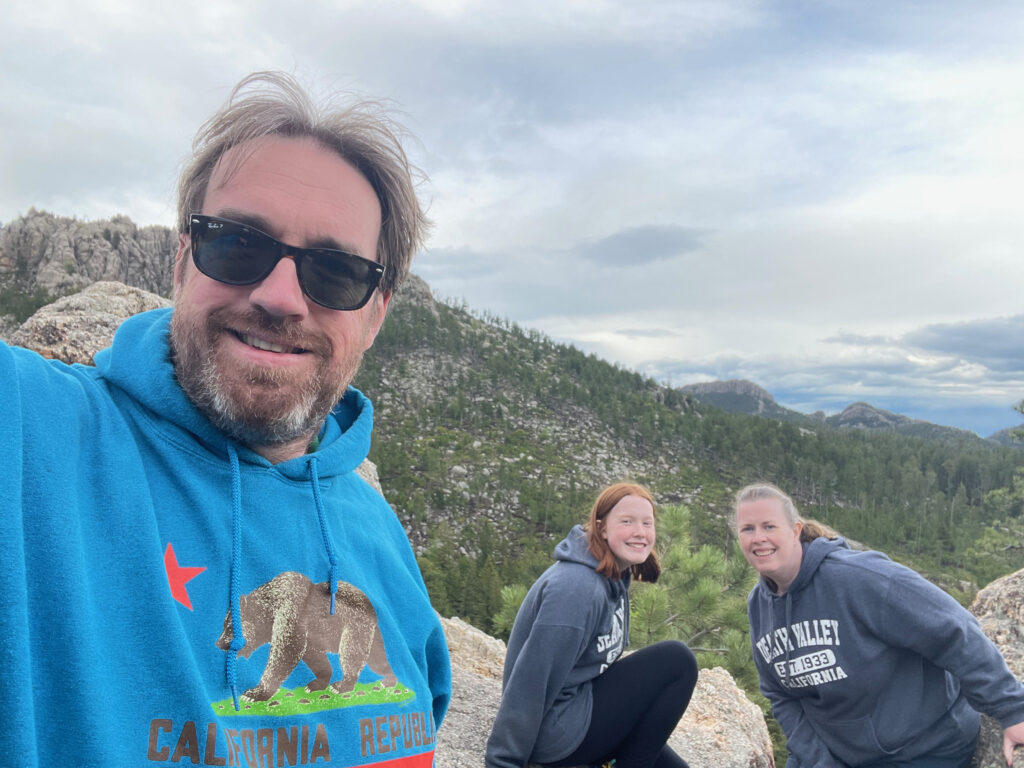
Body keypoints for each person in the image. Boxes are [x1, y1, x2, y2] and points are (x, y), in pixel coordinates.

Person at [0, 71, 450, 767]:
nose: (279, 297)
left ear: (376, 314)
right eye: (238, 245)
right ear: (182, 263)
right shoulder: (33, 429)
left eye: (333, 272)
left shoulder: (381, 540)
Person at [735, 482, 1024, 768]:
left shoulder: (859, 578)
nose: (758, 537)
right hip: (838, 755)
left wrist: (1012, 710)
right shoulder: (759, 605)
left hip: (921, 749)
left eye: (769, 526)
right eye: (748, 529)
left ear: (795, 530)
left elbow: (953, 629)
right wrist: (818, 761)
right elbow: (780, 694)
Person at [486, 482, 698, 768]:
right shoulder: (577, 589)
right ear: (602, 528)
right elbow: (532, 681)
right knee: (677, 661)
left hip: (579, 712)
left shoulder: (612, 575)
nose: (640, 532)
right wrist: (503, 762)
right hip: (557, 735)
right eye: (627, 521)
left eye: (647, 523)